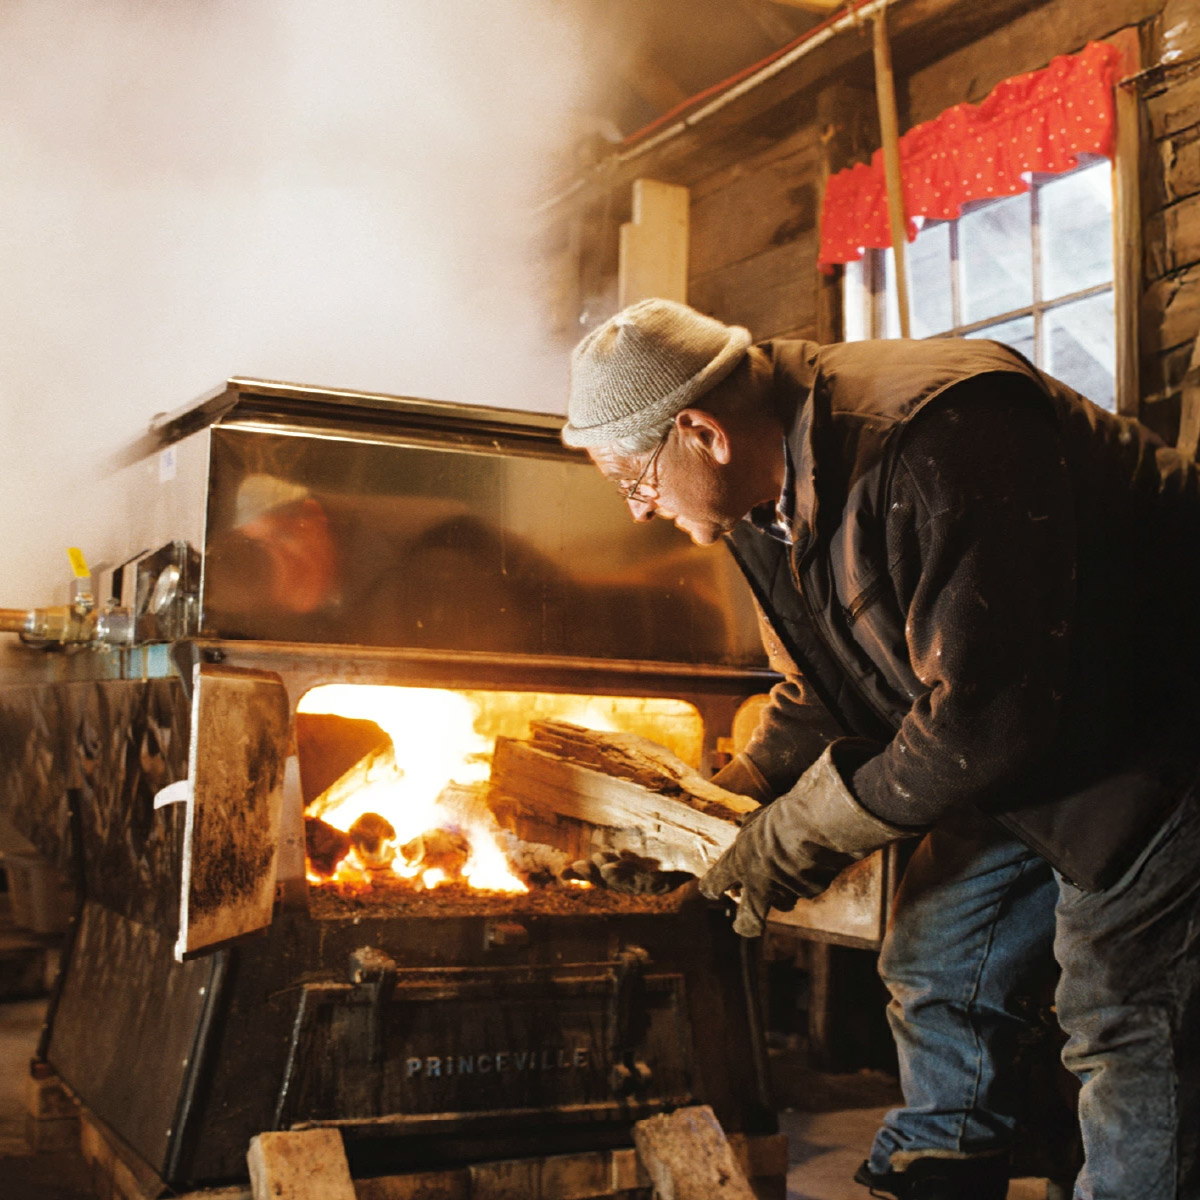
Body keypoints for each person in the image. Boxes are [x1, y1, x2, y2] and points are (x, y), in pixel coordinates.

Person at [561, 298, 1200, 1200]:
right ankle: (940, 1175)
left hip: (1157, 727)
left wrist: (793, 840)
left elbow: (983, 720)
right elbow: (822, 688)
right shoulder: (759, 500)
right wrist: (727, 806)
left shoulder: (938, 432)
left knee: (1126, 1016)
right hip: (1032, 731)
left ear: (701, 431)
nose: (638, 511)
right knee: (934, 953)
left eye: (636, 481)